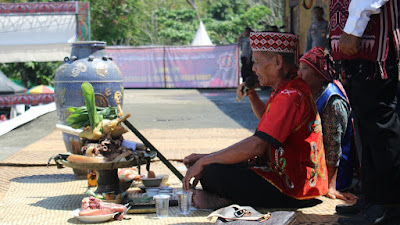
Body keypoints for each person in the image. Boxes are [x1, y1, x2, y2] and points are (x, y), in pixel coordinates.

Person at [182, 32, 328, 210]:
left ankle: (228, 200)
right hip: (288, 177)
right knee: (214, 165)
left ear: (277, 62)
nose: (253, 68)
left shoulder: (290, 94)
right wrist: (206, 158)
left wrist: (204, 161)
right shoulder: (287, 89)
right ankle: (227, 198)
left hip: (297, 188)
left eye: (257, 61)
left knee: (212, 172)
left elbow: (257, 146)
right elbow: (268, 122)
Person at [329, 0, 400, 224]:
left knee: (379, 122)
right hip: (361, 41)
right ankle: (373, 199)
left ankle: (388, 204)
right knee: (364, 122)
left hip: (371, 38)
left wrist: (353, 28)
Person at [298, 46, 359, 201]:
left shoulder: (332, 102)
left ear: (319, 74)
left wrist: (330, 186)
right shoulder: (312, 93)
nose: (299, 74)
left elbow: (334, 148)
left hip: (334, 176)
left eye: (304, 68)